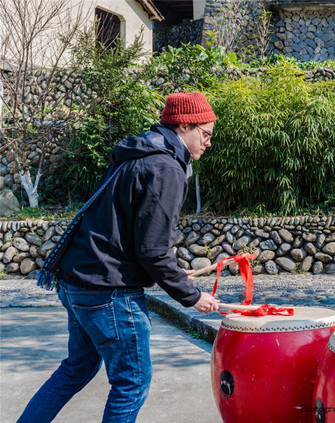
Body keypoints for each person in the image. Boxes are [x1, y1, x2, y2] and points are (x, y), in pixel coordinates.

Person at [18, 92, 220, 422]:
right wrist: (192, 296)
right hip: (109, 292)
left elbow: (130, 236)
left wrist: (174, 273)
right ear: (185, 125)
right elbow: (152, 250)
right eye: (206, 134)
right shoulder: (166, 166)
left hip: (77, 280)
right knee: (132, 382)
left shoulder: (138, 153)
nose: (208, 143)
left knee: (75, 370)